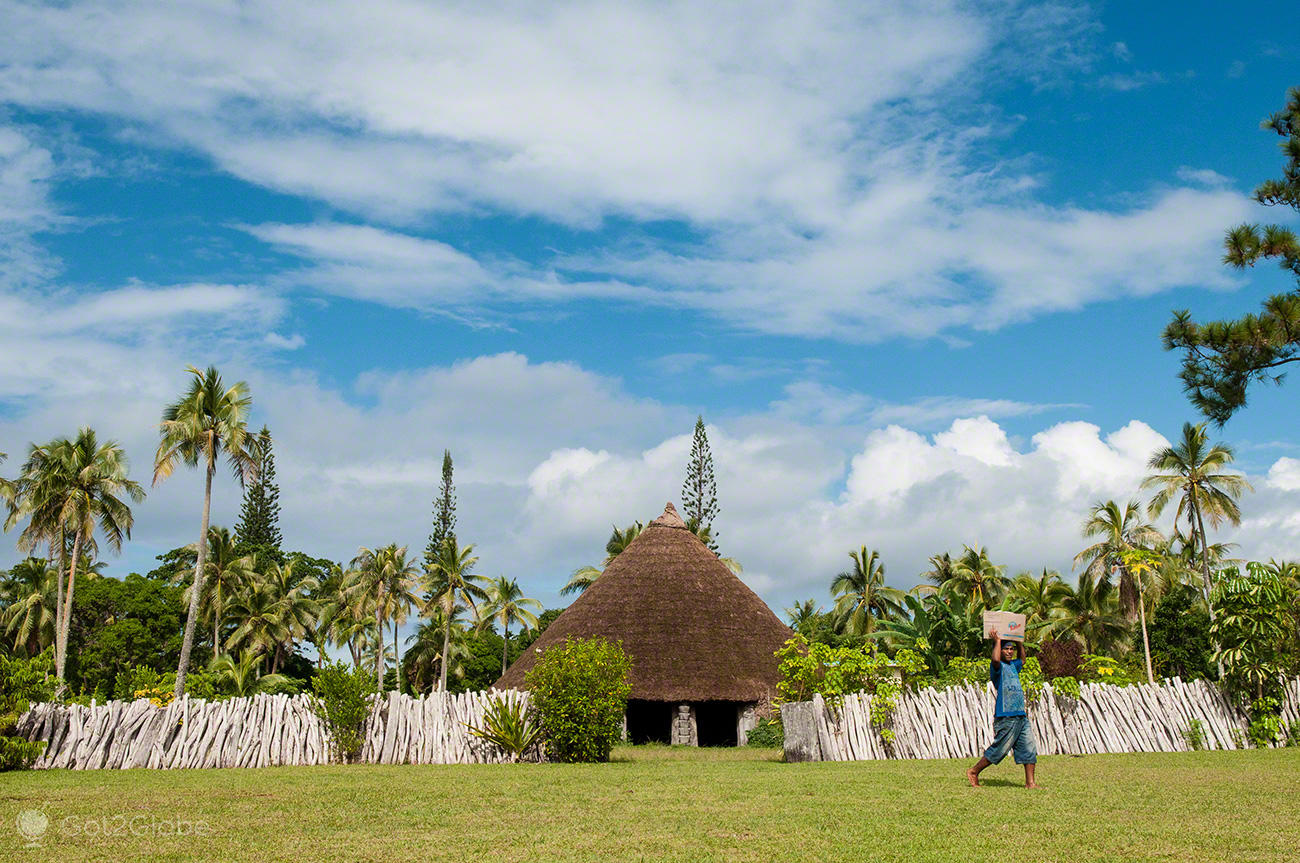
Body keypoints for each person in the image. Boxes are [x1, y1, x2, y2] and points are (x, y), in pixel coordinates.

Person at [966, 627, 1040, 788]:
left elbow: (1023, 659)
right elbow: (995, 660)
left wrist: (1019, 643)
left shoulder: (1014, 666)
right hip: (1006, 715)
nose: (1009, 651)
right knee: (1000, 749)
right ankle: (974, 771)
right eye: (1006, 649)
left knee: (1029, 747)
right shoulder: (997, 668)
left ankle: (1030, 783)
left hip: (1020, 714)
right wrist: (997, 641)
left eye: (1011, 649)